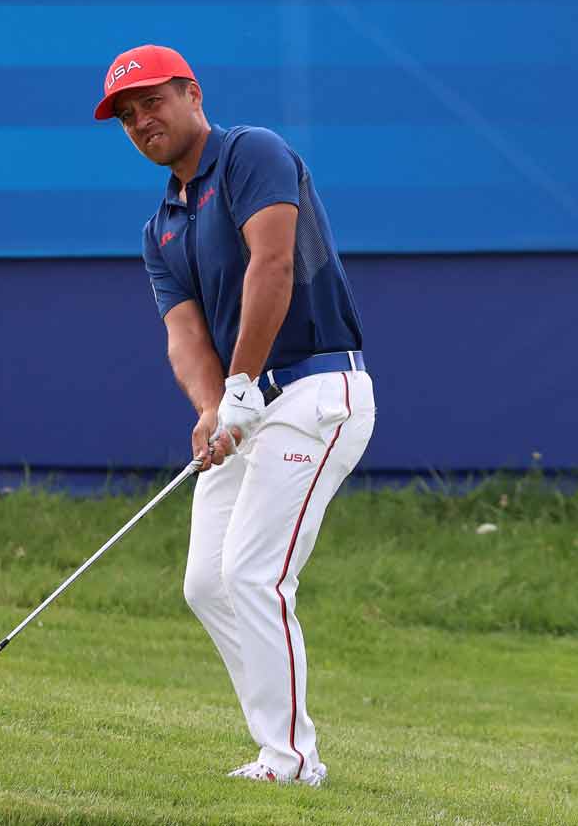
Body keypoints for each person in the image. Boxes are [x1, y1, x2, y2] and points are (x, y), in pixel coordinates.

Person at [96, 44, 375, 787]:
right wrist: (214, 406)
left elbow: (272, 264)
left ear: (191, 94)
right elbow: (184, 334)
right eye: (127, 116)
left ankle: (291, 761)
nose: (141, 121)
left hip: (318, 393)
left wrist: (243, 382)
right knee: (207, 585)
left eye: (152, 101)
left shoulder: (252, 153)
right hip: (250, 406)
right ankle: (278, 746)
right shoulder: (160, 226)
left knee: (254, 576)